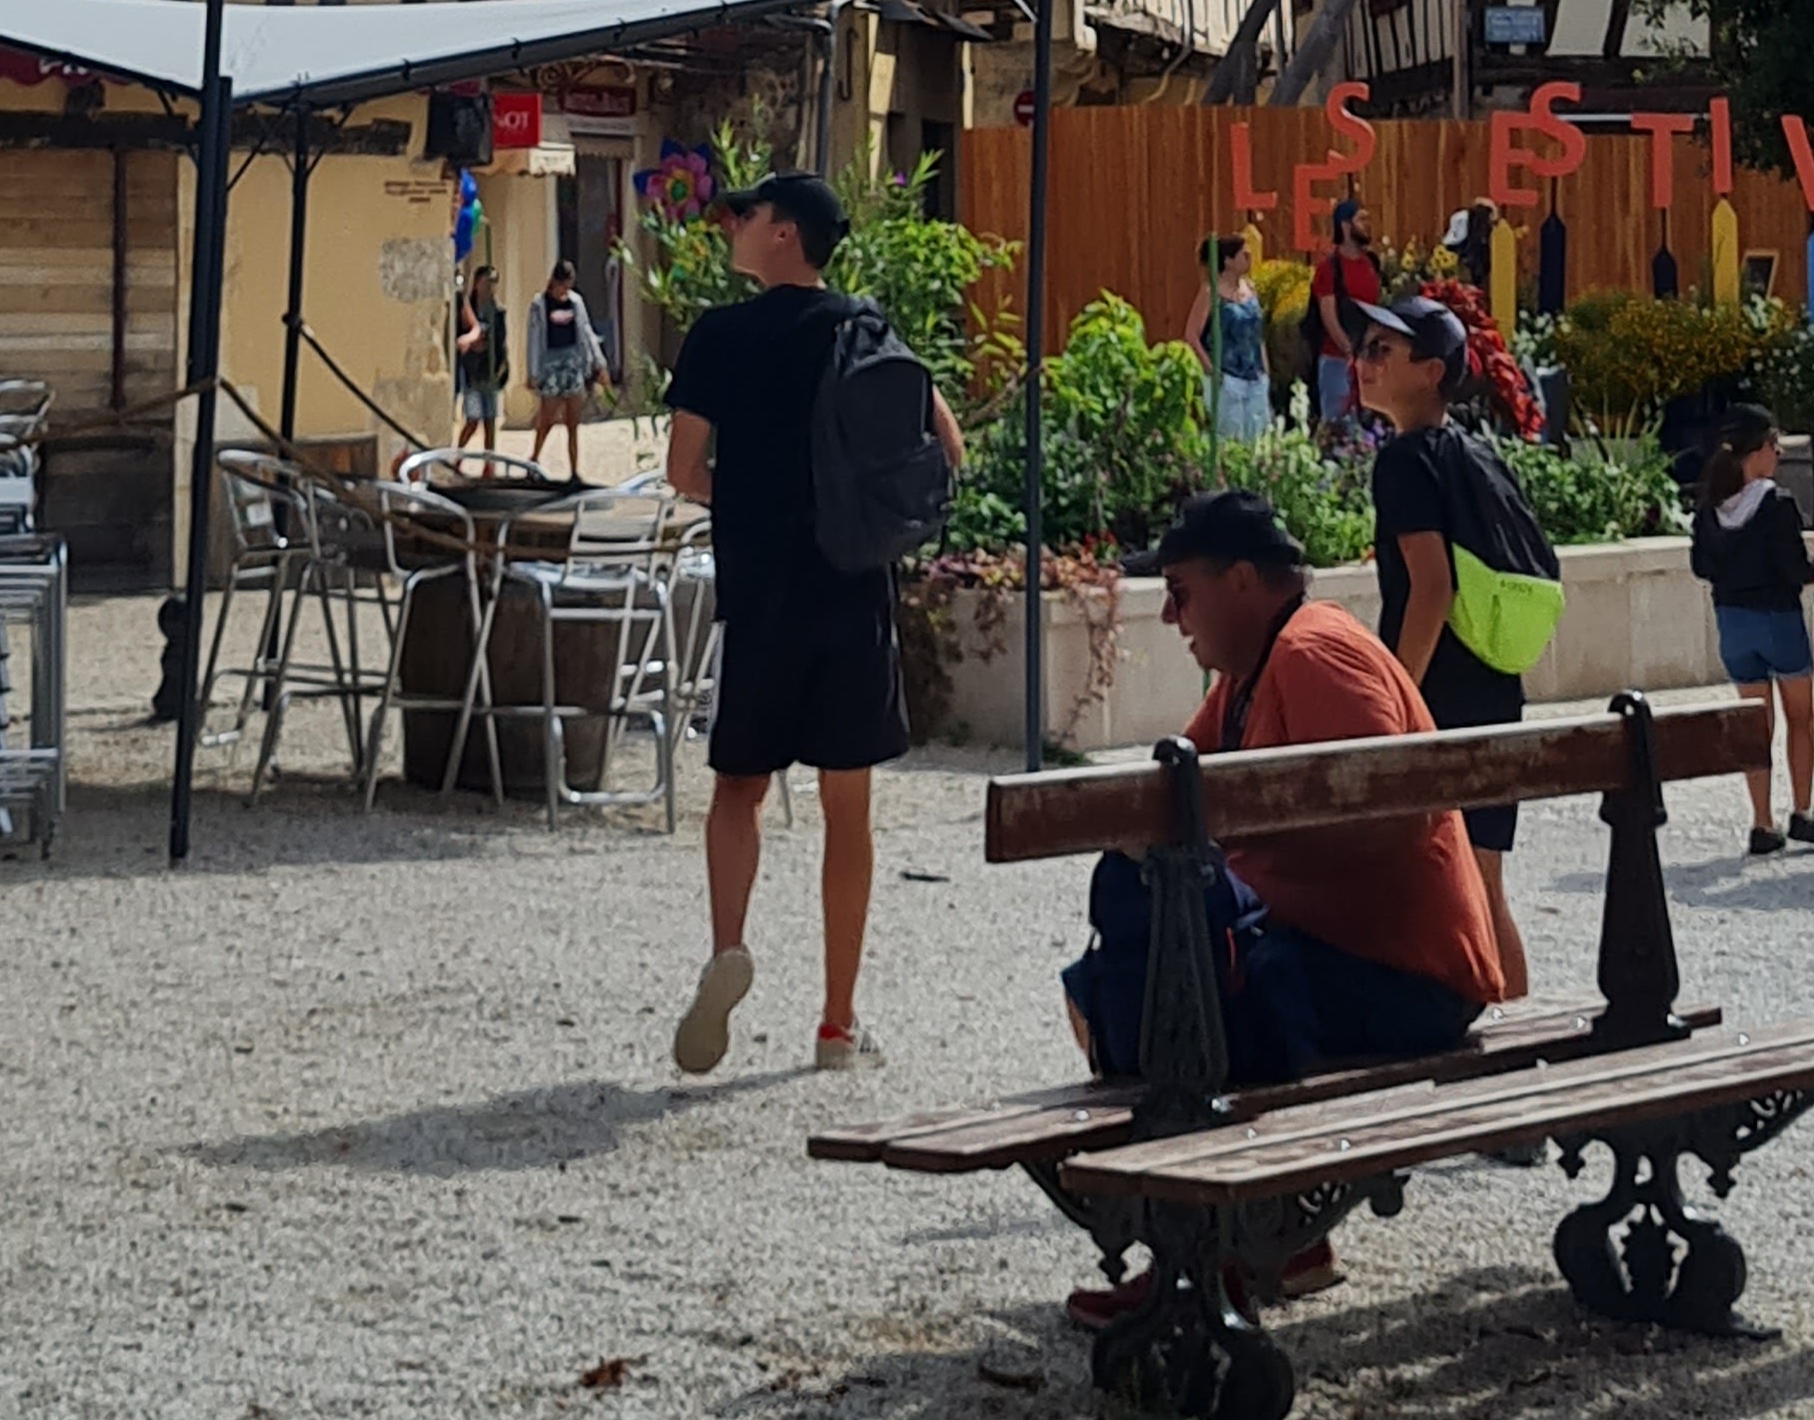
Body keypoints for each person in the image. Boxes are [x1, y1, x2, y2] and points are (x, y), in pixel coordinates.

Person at [1057, 490, 1499, 1332]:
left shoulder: (1314, 651)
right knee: (1111, 986)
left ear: (1241, 581)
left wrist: (1242, 871)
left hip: (1406, 976)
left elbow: (1390, 812)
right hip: (1353, 957)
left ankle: (1212, 1256)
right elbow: (1170, 789)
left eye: (1181, 592)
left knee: (1182, 1009)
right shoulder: (1252, 670)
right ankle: (1269, 1240)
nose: (1171, 616)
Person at [663, 169, 965, 1076]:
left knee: (738, 789)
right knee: (847, 805)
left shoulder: (719, 335)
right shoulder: (863, 327)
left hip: (760, 591)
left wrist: (748, 497)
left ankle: (728, 947)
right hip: (850, 587)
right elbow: (946, 446)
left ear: (784, 233)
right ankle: (837, 1024)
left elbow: (682, 470)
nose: (733, 224)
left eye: (746, 213)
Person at [1354, 293, 1550, 999]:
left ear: (1431, 370)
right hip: (1492, 679)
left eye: (1382, 350)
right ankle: (1517, 1026)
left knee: (1435, 879)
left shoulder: (1404, 462)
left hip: (1438, 691)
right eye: (1363, 347)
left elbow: (1431, 586)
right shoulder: (1477, 452)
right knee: (1483, 879)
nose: (1363, 361)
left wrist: (1398, 697)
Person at [1689, 404, 1814, 855]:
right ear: (1759, 451)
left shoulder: (1710, 506)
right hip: (1778, 619)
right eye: (1774, 445)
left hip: (1732, 621)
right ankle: (1803, 811)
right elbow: (1794, 568)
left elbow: (1701, 566)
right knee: (1800, 718)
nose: (1778, 453)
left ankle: (1761, 820)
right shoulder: (1775, 503)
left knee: (1754, 725)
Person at [524, 256, 610, 478]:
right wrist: (533, 372)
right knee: (547, 418)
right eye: (562, 284)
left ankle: (574, 470)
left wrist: (599, 363)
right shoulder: (540, 304)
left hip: (573, 364)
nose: (564, 290)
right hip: (550, 364)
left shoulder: (576, 302)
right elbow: (534, 339)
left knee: (573, 422)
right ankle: (534, 460)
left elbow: (586, 332)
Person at [1182, 233, 1271, 445]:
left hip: (1255, 377)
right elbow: (1191, 335)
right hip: (1227, 379)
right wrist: (1212, 372)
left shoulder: (1250, 288)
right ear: (1228, 261)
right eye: (1243, 255)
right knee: (1228, 439)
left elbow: (1256, 332)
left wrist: (1265, 368)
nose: (1248, 258)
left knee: (1258, 438)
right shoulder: (1210, 292)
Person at [1309, 191, 1385, 432]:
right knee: (1337, 428)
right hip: (1336, 361)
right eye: (1361, 220)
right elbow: (1329, 317)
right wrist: (1350, 350)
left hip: (1366, 358)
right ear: (1345, 225)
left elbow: (1376, 309)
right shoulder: (1330, 268)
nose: (1367, 225)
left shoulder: (1370, 264)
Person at [454, 260, 507, 456]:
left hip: (490, 372)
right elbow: (461, 336)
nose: (490, 287)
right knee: (473, 419)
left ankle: (489, 462)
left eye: (493, 283)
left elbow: (500, 341)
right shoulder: (467, 309)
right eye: (486, 282)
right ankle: (457, 456)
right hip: (471, 373)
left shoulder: (498, 312)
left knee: (490, 421)